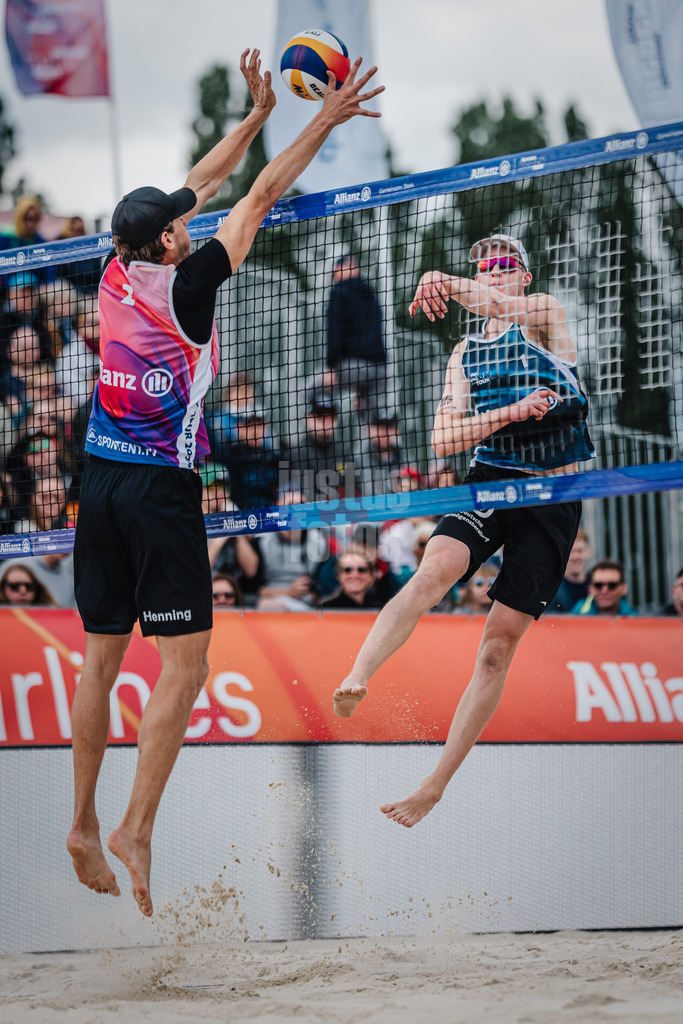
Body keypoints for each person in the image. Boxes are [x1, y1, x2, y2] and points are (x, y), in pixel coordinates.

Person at [67, 47, 384, 915]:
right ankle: (135, 827)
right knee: (186, 666)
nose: (188, 220)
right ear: (170, 241)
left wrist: (251, 115)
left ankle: (83, 822)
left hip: (97, 481)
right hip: (162, 492)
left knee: (98, 665)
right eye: (179, 223)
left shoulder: (114, 265)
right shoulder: (194, 284)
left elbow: (201, 184)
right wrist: (322, 117)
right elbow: (258, 196)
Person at [332, 232, 595, 827]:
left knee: (498, 647)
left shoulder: (545, 315)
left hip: (553, 496)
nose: (494, 273)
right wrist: (508, 411)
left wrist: (444, 281)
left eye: (504, 265)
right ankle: (358, 674)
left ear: (523, 277)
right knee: (434, 569)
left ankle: (434, 784)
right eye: (484, 267)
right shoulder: (463, 355)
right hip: (492, 480)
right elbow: (443, 440)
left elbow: (500, 308)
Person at [325, 255, 387, 417]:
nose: (334, 277)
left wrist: (331, 367)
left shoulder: (338, 292)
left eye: (335, 272)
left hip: (352, 369)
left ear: (343, 268)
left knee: (307, 390)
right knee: (374, 421)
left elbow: (335, 332)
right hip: (379, 370)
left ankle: (304, 442)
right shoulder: (371, 296)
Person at [318, 548, 384, 610]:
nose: (355, 575)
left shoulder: (382, 609)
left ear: (371, 575)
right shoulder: (325, 609)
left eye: (361, 570)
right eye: (347, 570)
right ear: (339, 575)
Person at [546, 526, 592, 613]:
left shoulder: (601, 585)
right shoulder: (552, 589)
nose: (575, 557)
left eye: (579, 551)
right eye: (570, 551)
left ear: (588, 552)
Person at [571, 559, 638, 616]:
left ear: (624, 588)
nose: (604, 591)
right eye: (598, 585)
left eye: (612, 585)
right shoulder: (577, 614)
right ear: (590, 589)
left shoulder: (636, 620)